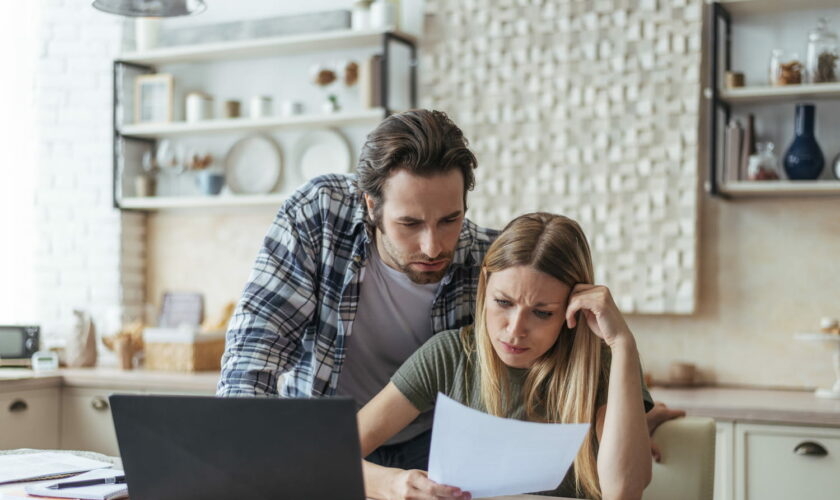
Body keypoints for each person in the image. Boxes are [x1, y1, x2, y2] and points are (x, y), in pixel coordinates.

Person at [217, 108, 682, 472]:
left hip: (434, 447)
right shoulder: (319, 215)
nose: (434, 245)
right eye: (409, 223)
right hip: (326, 438)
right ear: (371, 205)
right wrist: (234, 458)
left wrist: (621, 420)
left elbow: (556, 357)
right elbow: (255, 350)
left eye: (450, 219)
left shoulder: (488, 261)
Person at [358, 213, 653, 500]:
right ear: (485, 285)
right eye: (503, 302)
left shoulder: (602, 364)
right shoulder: (449, 354)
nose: (514, 331)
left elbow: (624, 492)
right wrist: (392, 484)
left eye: (541, 312)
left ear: (571, 309)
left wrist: (623, 343)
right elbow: (332, 454)